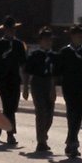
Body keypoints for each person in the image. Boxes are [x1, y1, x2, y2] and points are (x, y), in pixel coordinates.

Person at [54, 24, 82, 159]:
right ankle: (73, 142)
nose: (81, 38)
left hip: (80, 85)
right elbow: (56, 72)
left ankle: (71, 140)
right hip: (68, 85)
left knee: (78, 114)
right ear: (72, 37)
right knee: (71, 112)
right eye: (78, 36)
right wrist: (53, 88)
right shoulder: (65, 52)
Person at [0, 15, 27, 145]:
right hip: (2, 79)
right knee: (8, 105)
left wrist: (26, 85)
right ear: (4, 29)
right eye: (9, 28)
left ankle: (0, 123)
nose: (11, 31)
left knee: (13, 106)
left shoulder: (19, 45)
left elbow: (23, 65)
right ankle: (10, 134)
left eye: (13, 29)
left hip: (15, 78)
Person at [24, 26, 57, 154]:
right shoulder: (34, 55)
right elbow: (27, 72)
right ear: (40, 41)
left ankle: (43, 134)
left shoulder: (54, 56)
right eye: (45, 39)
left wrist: (53, 88)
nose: (48, 42)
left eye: (50, 40)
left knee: (49, 115)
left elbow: (55, 73)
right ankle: (41, 141)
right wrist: (25, 88)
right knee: (41, 112)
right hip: (37, 83)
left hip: (49, 83)